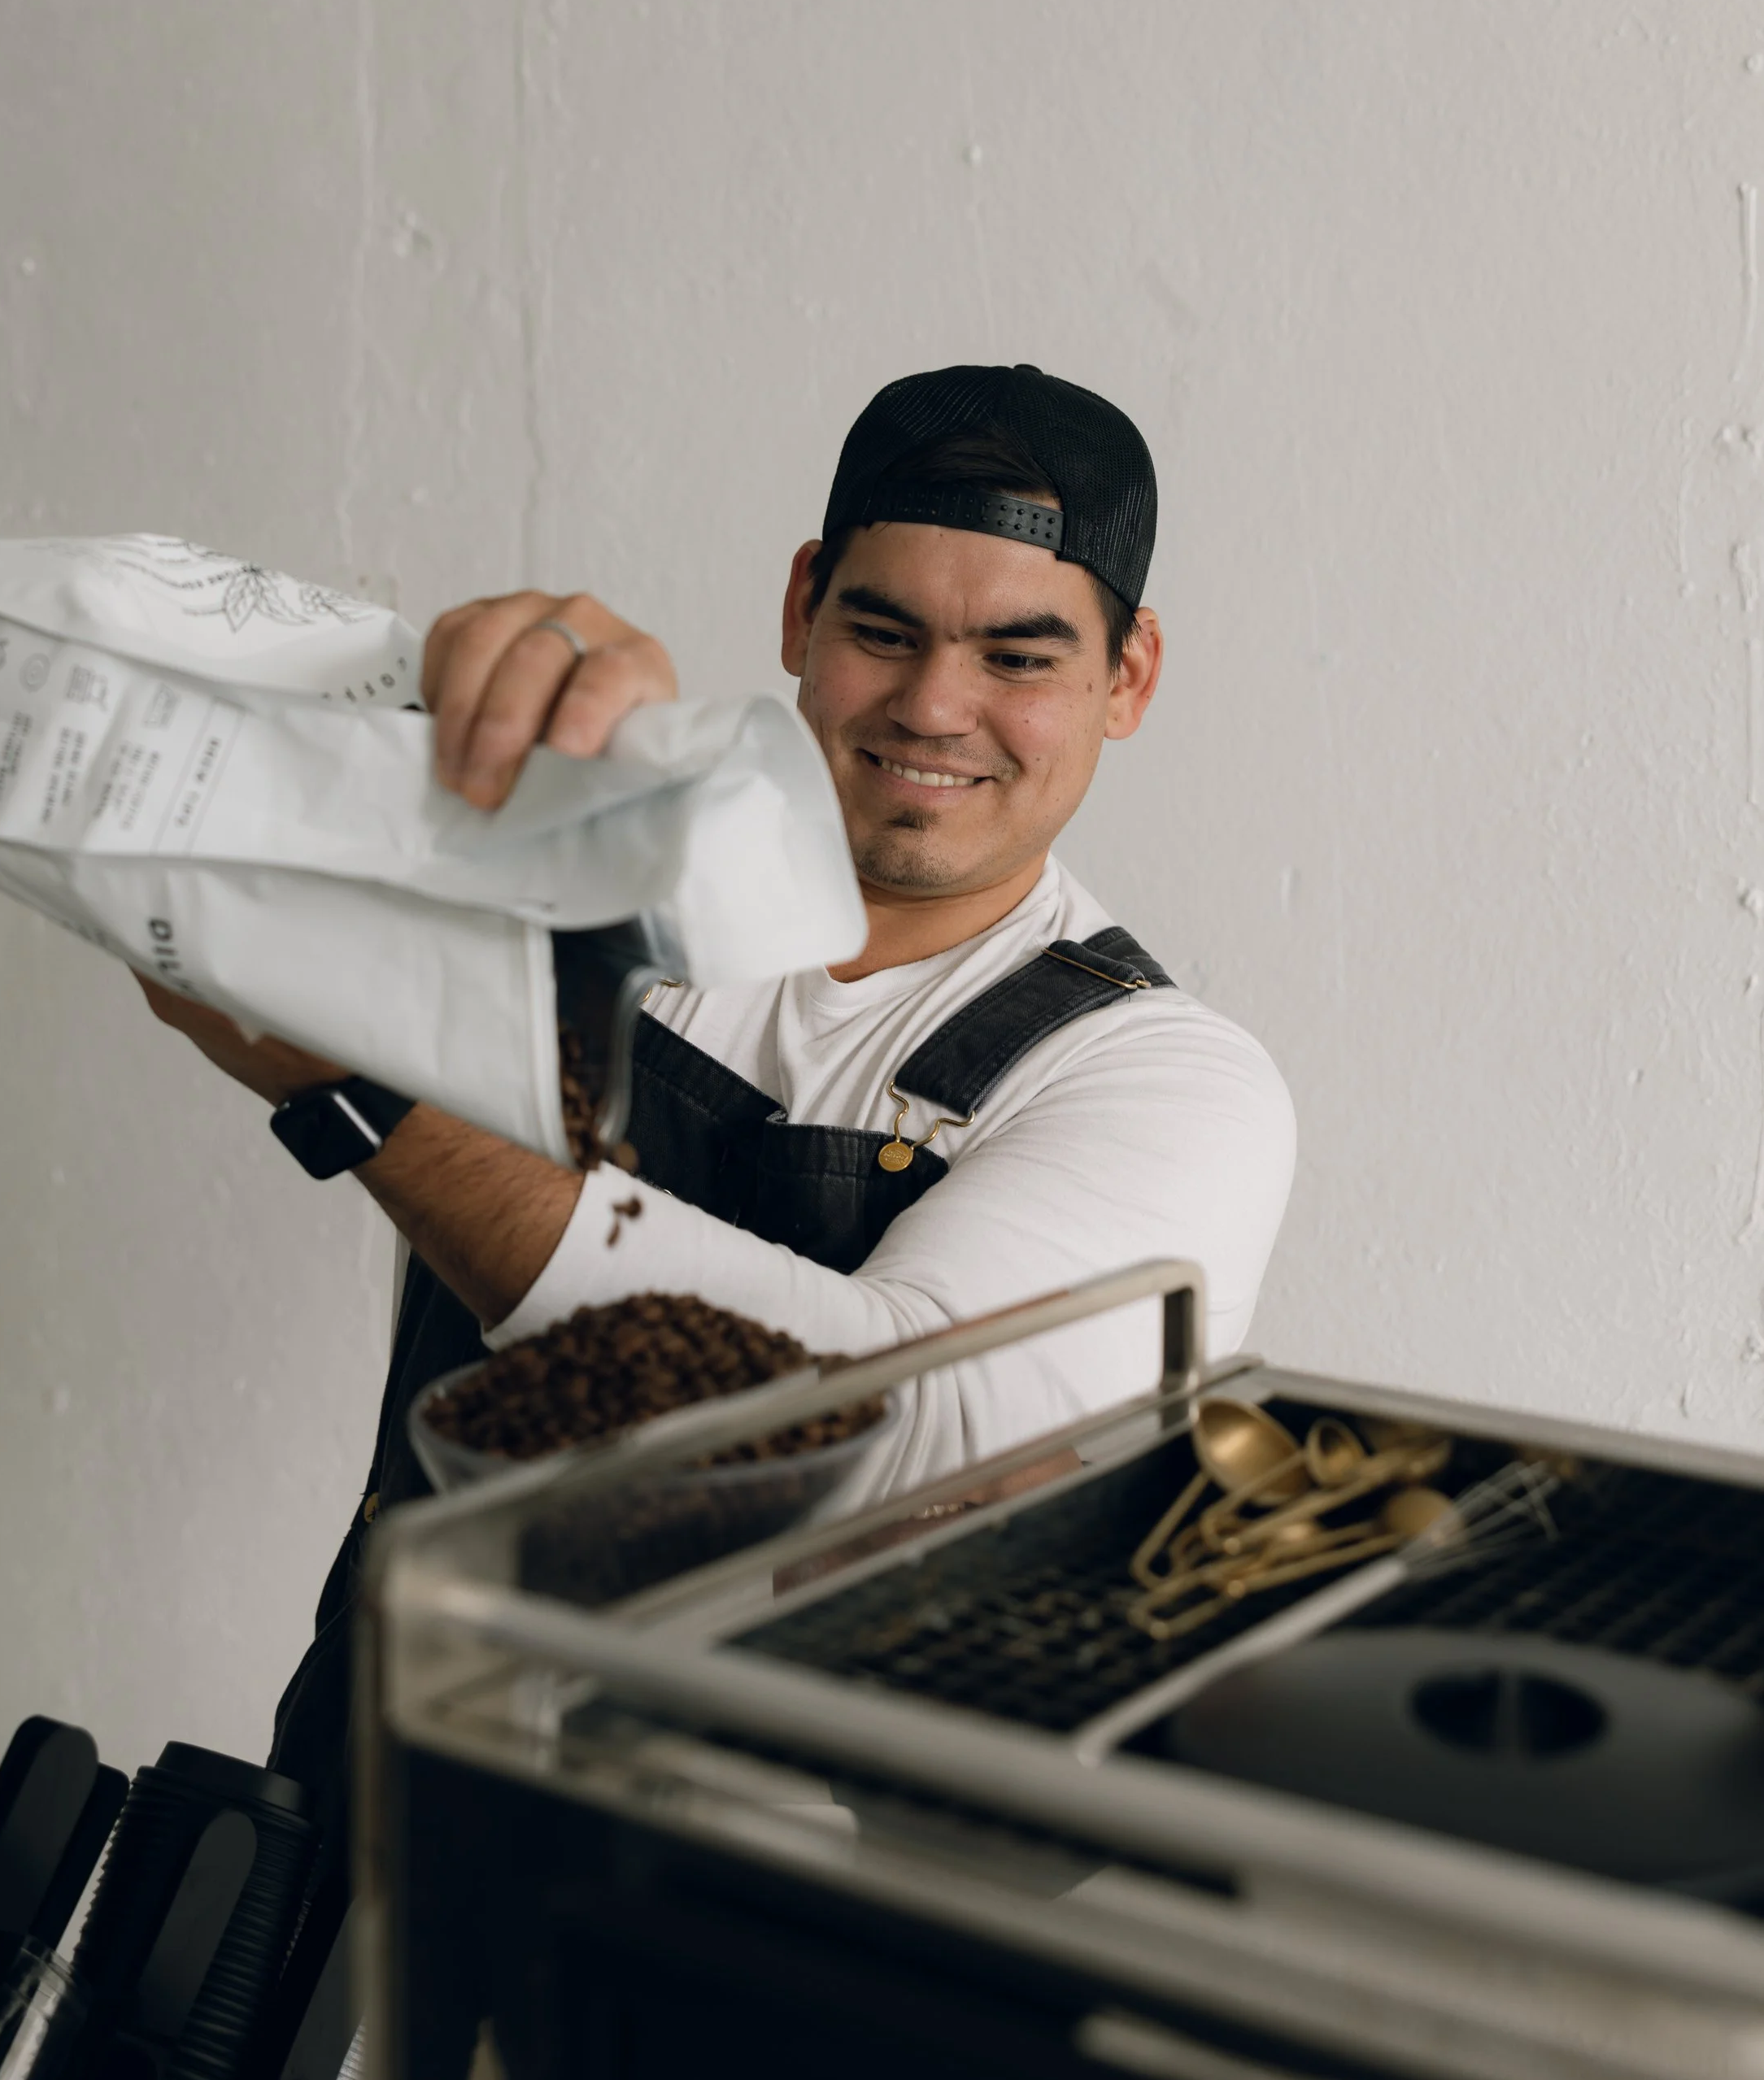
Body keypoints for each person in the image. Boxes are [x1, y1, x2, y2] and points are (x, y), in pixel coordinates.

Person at [139, 361, 1295, 1791]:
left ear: (1128, 677)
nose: (936, 707)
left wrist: (367, 1098)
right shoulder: (590, 877)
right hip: (366, 1795)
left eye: (1018, 658)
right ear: (803, 605)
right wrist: (437, 696)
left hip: (747, 1895)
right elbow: (188, 823)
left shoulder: (1165, 1083)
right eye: (883, 631)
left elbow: (910, 1442)